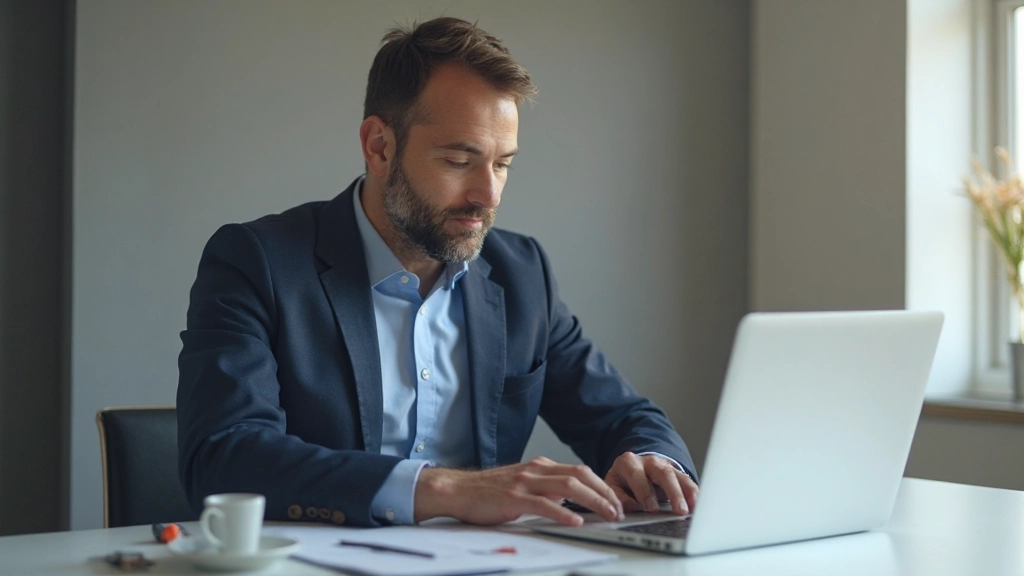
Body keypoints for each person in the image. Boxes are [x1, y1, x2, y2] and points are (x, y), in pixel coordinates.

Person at [177, 16, 698, 529]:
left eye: (502, 164)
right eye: (458, 161)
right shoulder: (257, 262)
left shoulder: (522, 274)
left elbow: (621, 415)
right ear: (379, 147)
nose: (488, 195)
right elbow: (224, 456)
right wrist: (446, 490)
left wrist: (654, 464)